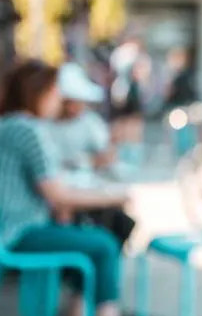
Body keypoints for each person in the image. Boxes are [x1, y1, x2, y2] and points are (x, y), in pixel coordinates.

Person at [0, 59, 144, 316]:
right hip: (17, 233)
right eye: (55, 92)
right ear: (37, 93)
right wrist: (112, 195)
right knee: (104, 243)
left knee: (96, 235)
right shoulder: (26, 129)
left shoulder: (2, 126)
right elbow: (56, 193)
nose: (59, 100)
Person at [50, 62, 137, 245]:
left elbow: (108, 155)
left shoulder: (89, 122)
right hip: (59, 194)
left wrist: (88, 162)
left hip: (84, 185)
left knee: (118, 215)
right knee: (64, 212)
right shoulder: (45, 124)